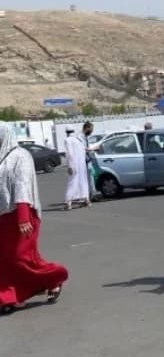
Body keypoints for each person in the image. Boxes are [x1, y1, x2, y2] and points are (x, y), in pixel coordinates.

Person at [0, 124, 68, 313]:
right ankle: (10, 297)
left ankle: (55, 276)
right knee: (4, 260)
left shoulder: (20, 156)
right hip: (3, 217)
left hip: (23, 214)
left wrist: (23, 217)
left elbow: (22, 185)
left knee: (21, 258)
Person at [63, 128, 90, 210]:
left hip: (74, 165)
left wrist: (70, 166)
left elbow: (70, 154)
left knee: (72, 182)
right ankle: (86, 200)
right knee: (83, 181)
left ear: (66, 132)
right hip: (82, 165)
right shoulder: (78, 139)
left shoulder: (67, 140)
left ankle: (68, 202)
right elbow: (84, 151)